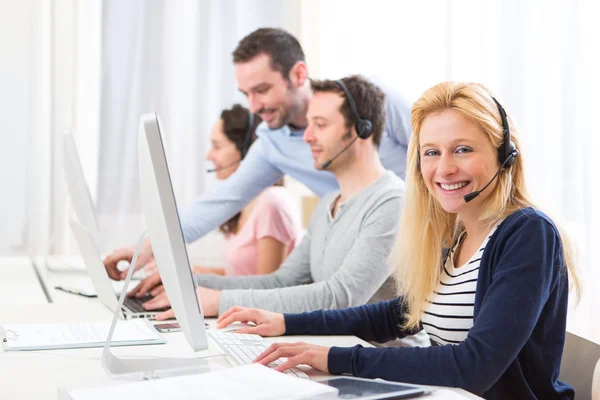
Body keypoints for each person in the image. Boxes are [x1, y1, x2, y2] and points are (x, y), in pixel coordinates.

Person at [215, 82, 581, 399]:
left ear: (504, 155)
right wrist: (287, 322)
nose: (444, 168)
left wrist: (335, 358)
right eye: (431, 152)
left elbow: (475, 365)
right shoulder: (454, 232)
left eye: (463, 149)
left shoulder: (527, 234)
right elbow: (399, 314)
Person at [103, 27, 412, 280]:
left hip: (422, 242)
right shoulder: (271, 143)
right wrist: (149, 246)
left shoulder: (373, 102)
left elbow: (438, 153)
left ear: (299, 74)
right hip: (362, 260)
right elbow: (223, 201)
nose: (254, 107)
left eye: (262, 90)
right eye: (246, 94)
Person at [141, 76, 410, 327]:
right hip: (328, 350)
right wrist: (190, 281)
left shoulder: (392, 203)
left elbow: (340, 297)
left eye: (320, 124)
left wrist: (219, 301)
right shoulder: (329, 202)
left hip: (376, 364)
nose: (307, 137)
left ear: (361, 131)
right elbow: (282, 281)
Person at [195, 104, 300, 277]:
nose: (209, 156)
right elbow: (241, 276)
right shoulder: (243, 202)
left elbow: (265, 291)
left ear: (247, 152)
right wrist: (195, 274)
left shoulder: (271, 202)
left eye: (217, 146)